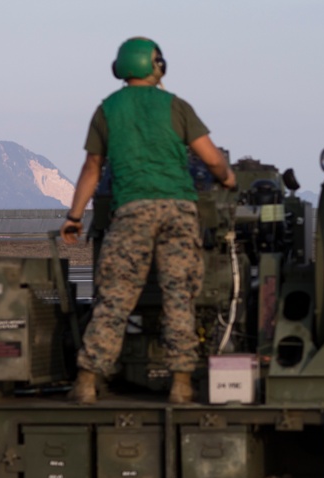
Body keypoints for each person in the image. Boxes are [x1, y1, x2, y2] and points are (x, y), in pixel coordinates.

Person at [61, 37, 236, 404]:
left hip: (131, 212)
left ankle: (88, 382)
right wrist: (227, 178)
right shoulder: (176, 106)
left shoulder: (106, 110)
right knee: (178, 295)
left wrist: (74, 217)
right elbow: (212, 158)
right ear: (157, 65)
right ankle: (182, 384)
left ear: (120, 69)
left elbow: (92, 168)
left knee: (115, 297)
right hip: (178, 210)